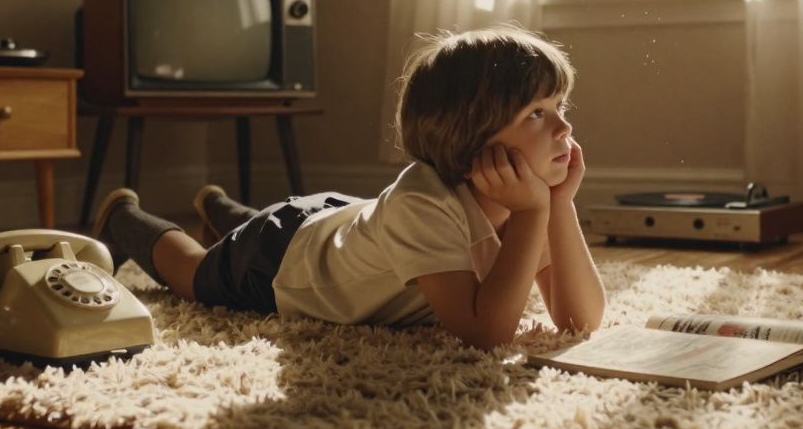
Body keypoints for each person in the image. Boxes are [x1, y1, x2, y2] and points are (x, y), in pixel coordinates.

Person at [90, 24, 605, 349]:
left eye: (560, 107)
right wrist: (537, 214)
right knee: (195, 274)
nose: (563, 128)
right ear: (469, 136)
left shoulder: (521, 197)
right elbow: (485, 335)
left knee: (246, 234)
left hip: (336, 221)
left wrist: (559, 205)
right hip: (282, 258)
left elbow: (580, 320)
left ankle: (221, 207)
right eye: (537, 114)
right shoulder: (426, 205)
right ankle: (122, 216)